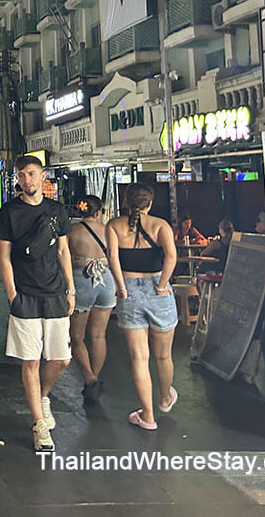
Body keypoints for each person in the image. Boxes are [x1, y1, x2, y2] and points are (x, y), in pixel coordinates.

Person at [0, 155, 73, 452]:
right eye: (21, 175)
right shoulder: (9, 211)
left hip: (54, 291)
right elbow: (3, 256)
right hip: (24, 294)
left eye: (30, 174)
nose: (26, 180)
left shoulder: (56, 210)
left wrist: (71, 289)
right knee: (30, 360)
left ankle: (43, 395)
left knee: (61, 359)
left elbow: (63, 250)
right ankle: (39, 425)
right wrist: (12, 294)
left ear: (42, 176)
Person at [106, 184, 178, 432]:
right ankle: (165, 399)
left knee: (139, 358)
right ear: (150, 203)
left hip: (129, 291)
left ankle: (147, 416)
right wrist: (163, 285)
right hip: (158, 290)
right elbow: (171, 257)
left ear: (126, 202)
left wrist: (121, 288)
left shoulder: (114, 226)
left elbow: (113, 259)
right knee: (163, 356)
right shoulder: (161, 225)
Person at [67, 195, 114, 404]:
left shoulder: (72, 230)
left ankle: (90, 378)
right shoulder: (109, 230)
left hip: (81, 280)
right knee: (98, 335)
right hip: (106, 280)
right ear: (99, 212)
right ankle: (93, 380)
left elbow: (64, 256)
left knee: (76, 336)